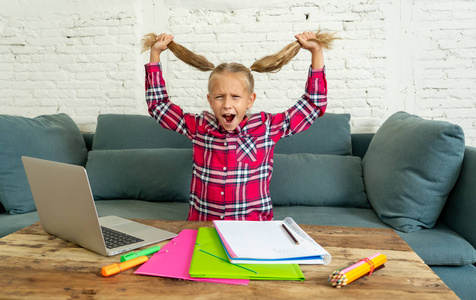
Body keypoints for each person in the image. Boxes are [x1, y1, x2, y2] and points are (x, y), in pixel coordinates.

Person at [143, 31, 334, 221]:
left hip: (253, 229)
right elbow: (158, 106)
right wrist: (155, 54)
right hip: (204, 225)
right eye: (219, 97)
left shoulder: (266, 128)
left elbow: (313, 105)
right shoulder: (200, 127)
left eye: (235, 97)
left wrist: (316, 52)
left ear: (250, 100)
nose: (227, 104)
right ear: (210, 101)